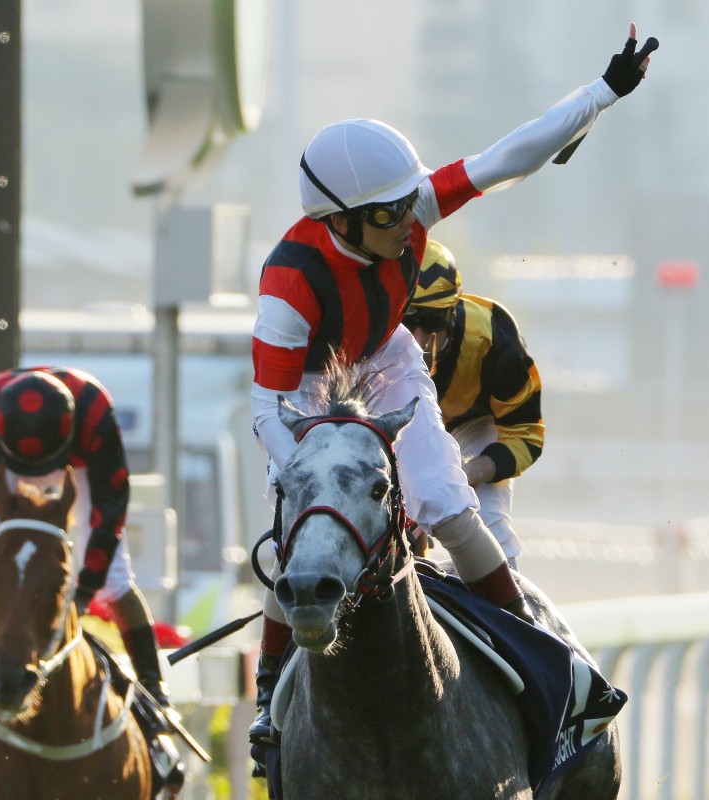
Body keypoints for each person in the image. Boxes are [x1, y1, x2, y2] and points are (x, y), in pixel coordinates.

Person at [248, 23, 657, 748]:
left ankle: (546, 673)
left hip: (385, 358)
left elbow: (506, 159)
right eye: (392, 213)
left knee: (445, 503)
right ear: (340, 219)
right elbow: (266, 409)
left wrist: (603, 93)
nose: (412, 220)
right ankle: (268, 704)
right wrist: (313, 477)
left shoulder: (399, 211)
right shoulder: (288, 288)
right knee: (297, 540)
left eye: (411, 202)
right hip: (305, 391)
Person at [0, 366, 174, 743]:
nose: (38, 479)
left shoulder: (93, 411)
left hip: (82, 465)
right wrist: (0, 580)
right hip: (4, 468)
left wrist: (87, 589)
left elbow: (110, 509)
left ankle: (155, 694)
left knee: (117, 580)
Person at [404, 239, 543, 569]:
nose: (420, 341)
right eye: (408, 320)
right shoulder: (364, 333)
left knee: (491, 528)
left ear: (453, 311)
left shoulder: (495, 338)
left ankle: (511, 611)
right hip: (399, 423)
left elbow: (527, 436)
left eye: (434, 321)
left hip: (475, 427)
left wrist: (470, 472)